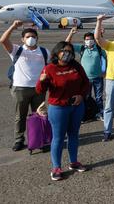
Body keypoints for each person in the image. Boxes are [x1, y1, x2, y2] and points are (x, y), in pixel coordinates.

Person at [36, 41, 90, 181]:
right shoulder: (50, 68)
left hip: (77, 106)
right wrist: (42, 81)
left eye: (70, 52)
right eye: (64, 51)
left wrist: (81, 95)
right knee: (58, 138)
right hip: (59, 108)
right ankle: (56, 167)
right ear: (57, 52)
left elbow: (86, 83)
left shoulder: (76, 66)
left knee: (73, 135)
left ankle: (74, 162)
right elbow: (39, 90)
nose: (67, 54)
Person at [0, 20, 49, 151]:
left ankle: (39, 139)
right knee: (20, 116)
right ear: (22, 39)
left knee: (39, 115)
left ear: (37, 38)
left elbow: (50, 68)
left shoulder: (44, 52)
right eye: (27, 37)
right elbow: (3, 40)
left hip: (39, 88)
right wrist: (13, 26)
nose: (31, 39)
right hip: (20, 88)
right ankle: (19, 140)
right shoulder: (16, 50)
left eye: (33, 36)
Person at [66, 28, 107, 120]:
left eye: (90, 39)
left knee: (99, 97)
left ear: (94, 40)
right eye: (87, 39)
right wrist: (71, 33)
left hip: (98, 78)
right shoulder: (81, 48)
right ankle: (85, 114)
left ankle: (99, 113)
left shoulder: (99, 49)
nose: (89, 41)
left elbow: (107, 58)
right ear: (84, 41)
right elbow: (67, 44)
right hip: (85, 79)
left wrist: (105, 71)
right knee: (85, 97)